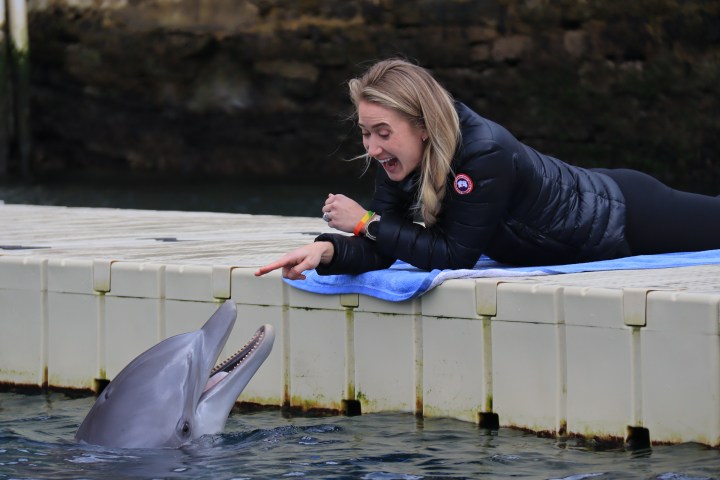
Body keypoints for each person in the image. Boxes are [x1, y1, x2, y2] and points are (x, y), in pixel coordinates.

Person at [255, 58, 720, 281]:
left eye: (381, 132)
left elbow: (454, 254)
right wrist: (328, 253)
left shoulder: (484, 153)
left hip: (624, 215)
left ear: (420, 125)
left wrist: (362, 222)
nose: (372, 147)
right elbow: (384, 245)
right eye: (365, 133)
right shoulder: (397, 158)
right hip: (590, 209)